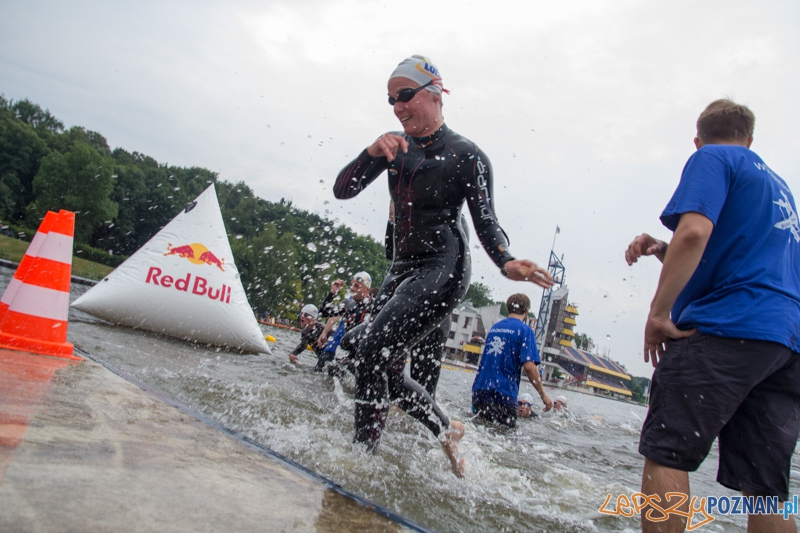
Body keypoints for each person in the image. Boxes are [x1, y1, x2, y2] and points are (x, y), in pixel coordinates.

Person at [333, 55, 553, 476]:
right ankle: (444, 426)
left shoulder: (467, 155)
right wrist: (370, 151)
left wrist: (506, 262)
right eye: (391, 99)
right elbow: (344, 190)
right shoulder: (394, 147)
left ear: (434, 94)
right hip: (400, 271)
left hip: (443, 268)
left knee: (377, 349)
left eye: (405, 96)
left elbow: (486, 220)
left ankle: (360, 461)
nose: (397, 107)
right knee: (359, 348)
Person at [625, 99, 800, 532]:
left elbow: (695, 232)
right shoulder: (779, 188)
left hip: (728, 329)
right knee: (766, 488)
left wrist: (658, 314)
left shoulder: (712, 157)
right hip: (784, 343)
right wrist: (660, 249)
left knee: (667, 450)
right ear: (751, 139)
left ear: (697, 139)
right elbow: (734, 259)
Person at [472, 294, 552, 428]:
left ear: (508, 308)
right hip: (503, 393)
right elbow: (529, 367)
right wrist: (543, 394)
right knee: (502, 439)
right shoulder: (525, 331)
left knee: (478, 428)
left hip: (480, 391)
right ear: (526, 311)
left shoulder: (494, 329)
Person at [315, 272, 373, 373]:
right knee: (330, 370)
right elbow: (323, 312)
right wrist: (332, 293)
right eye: (351, 285)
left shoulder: (373, 306)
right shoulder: (347, 304)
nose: (352, 288)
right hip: (347, 353)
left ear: (367, 290)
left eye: (357, 286)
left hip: (363, 355)